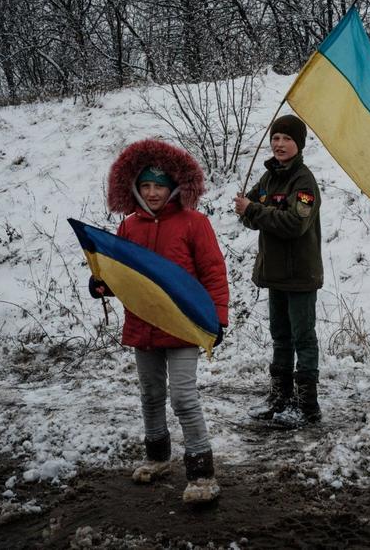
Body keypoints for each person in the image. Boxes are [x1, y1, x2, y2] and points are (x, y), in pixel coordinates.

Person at [89, 138, 229, 504]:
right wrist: (102, 282)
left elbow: (213, 273)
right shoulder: (129, 228)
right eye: (146, 186)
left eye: (160, 186)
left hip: (183, 326)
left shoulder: (194, 223)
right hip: (142, 325)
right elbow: (123, 276)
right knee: (150, 395)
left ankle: (201, 472)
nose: (152, 193)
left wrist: (219, 319)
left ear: (174, 187)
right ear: (135, 187)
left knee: (183, 397)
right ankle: (157, 456)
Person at [234, 114, 323, 428]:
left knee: (303, 337)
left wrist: (254, 210)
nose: (279, 144)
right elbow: (251, 215)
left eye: (286, 139)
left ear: (298, 144)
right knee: (280, 337)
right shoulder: (270, 177)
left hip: (300, 275)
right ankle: (280, 397)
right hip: (275, 274)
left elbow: (295, 224)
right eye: (276, 138)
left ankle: (307, 405)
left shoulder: (304, 181)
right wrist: (246, 208)